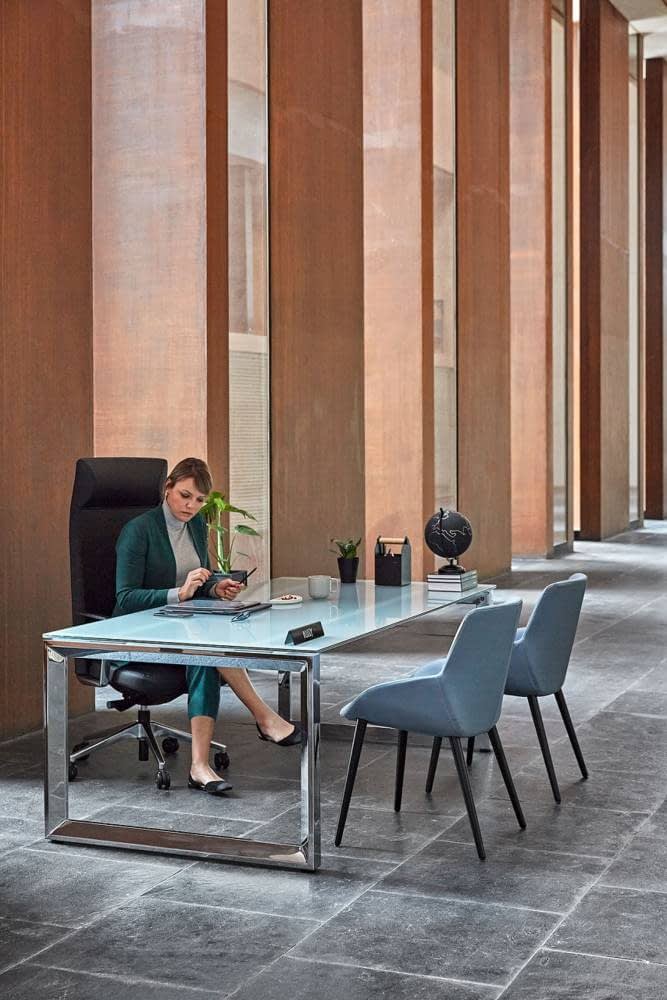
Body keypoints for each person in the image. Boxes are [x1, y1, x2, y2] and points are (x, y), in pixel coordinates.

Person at [114, 456, 301, 796]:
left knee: (207, 650)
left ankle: (201, 766)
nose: (191, 506)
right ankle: (263, 718)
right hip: (137, 632)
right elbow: (125, 598)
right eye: (185, 495)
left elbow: (200, 577)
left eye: (199, 500)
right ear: (168, 488)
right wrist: (179, 593)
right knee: (205, 650)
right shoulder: (138, 531)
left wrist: (215, 587)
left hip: (181, 627)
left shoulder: (197, 525)